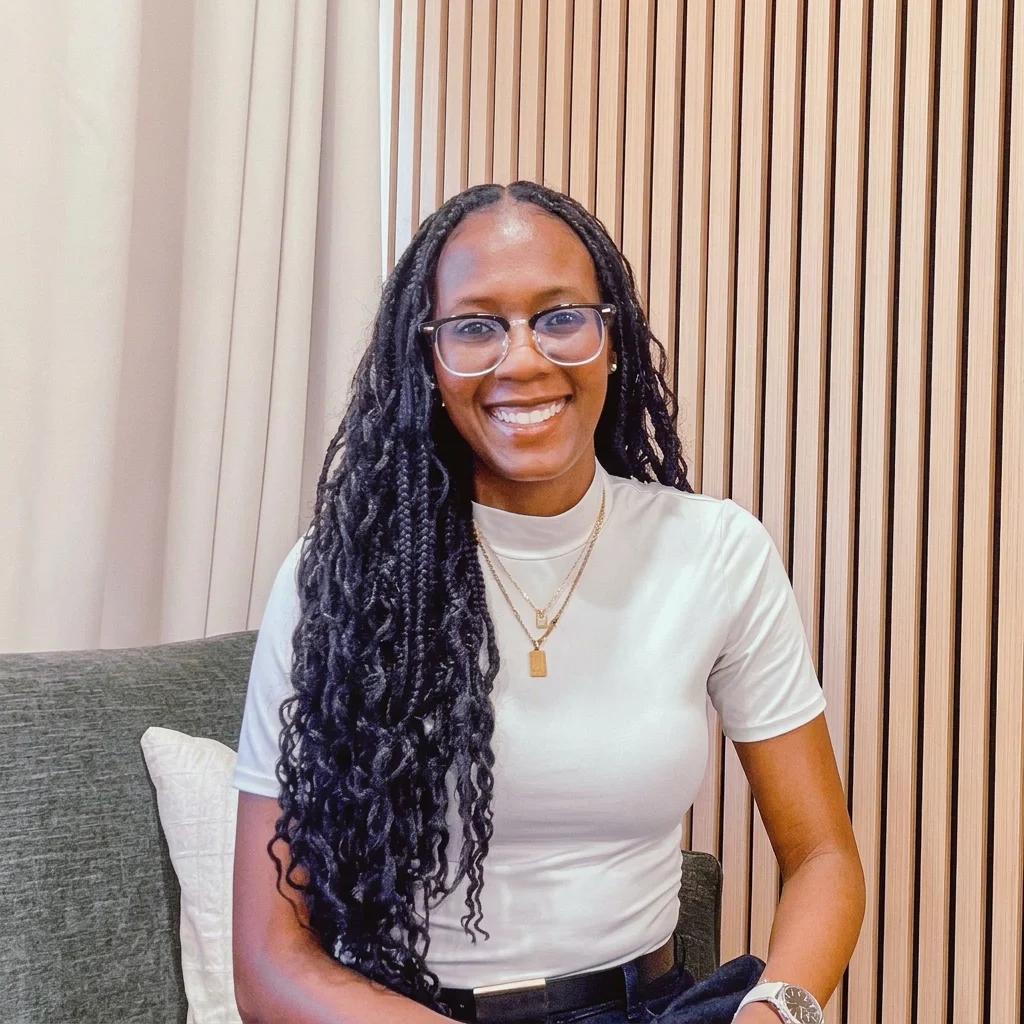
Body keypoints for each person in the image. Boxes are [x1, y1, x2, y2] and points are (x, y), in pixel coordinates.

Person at [230, 182, 865, 1024]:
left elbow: (823, 855)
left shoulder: (715, 551)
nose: (523, 360)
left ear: (612, 341)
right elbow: (269, 959)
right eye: (476, 326)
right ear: (428, 359)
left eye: (559, 317)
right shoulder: (334, 579)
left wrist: (777, 1010)